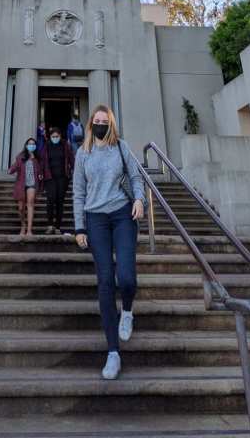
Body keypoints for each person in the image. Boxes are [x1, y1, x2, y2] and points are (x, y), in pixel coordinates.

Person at [72, 104, 145, 381]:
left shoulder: (121, 147)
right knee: (105, 280)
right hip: (95, 219)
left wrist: (139, 199)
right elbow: (78, 191)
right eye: (97, 121)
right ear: (91, 124)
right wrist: (79, 226)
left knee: (125, 277)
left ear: (111, 124)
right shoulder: (83, 153)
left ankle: (127, 310)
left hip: (122, 214)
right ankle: (113, 351)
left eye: (105, 120)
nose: (101, 124)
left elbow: (136, 176)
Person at [40, 126, 74, 234]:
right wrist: (40, 173)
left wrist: (75, 171)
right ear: (50, 137)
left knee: (60, 201)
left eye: (57, 136)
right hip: (49, 177)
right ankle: (50, 225)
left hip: (62, 177)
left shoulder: (65, 145)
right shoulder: (46, 146)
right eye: (53, 136)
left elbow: (71, 159)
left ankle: (58, 226)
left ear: (60, 136)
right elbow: (42, 160)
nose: (55, 138)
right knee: (50, 199)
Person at [9, 137, 43, 238]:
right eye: (29, 144)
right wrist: (10, 170)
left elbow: (41, 169)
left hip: (32, 184)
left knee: (30, 203)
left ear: (35, 146)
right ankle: (23, 225)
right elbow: (14, 167)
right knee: (20, 208)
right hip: (21, 184)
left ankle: (29, 230)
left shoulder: (37, 158)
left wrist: (41, 175)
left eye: (33, 144)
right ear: (26, 145)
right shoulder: (21, 157)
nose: (31, 145)